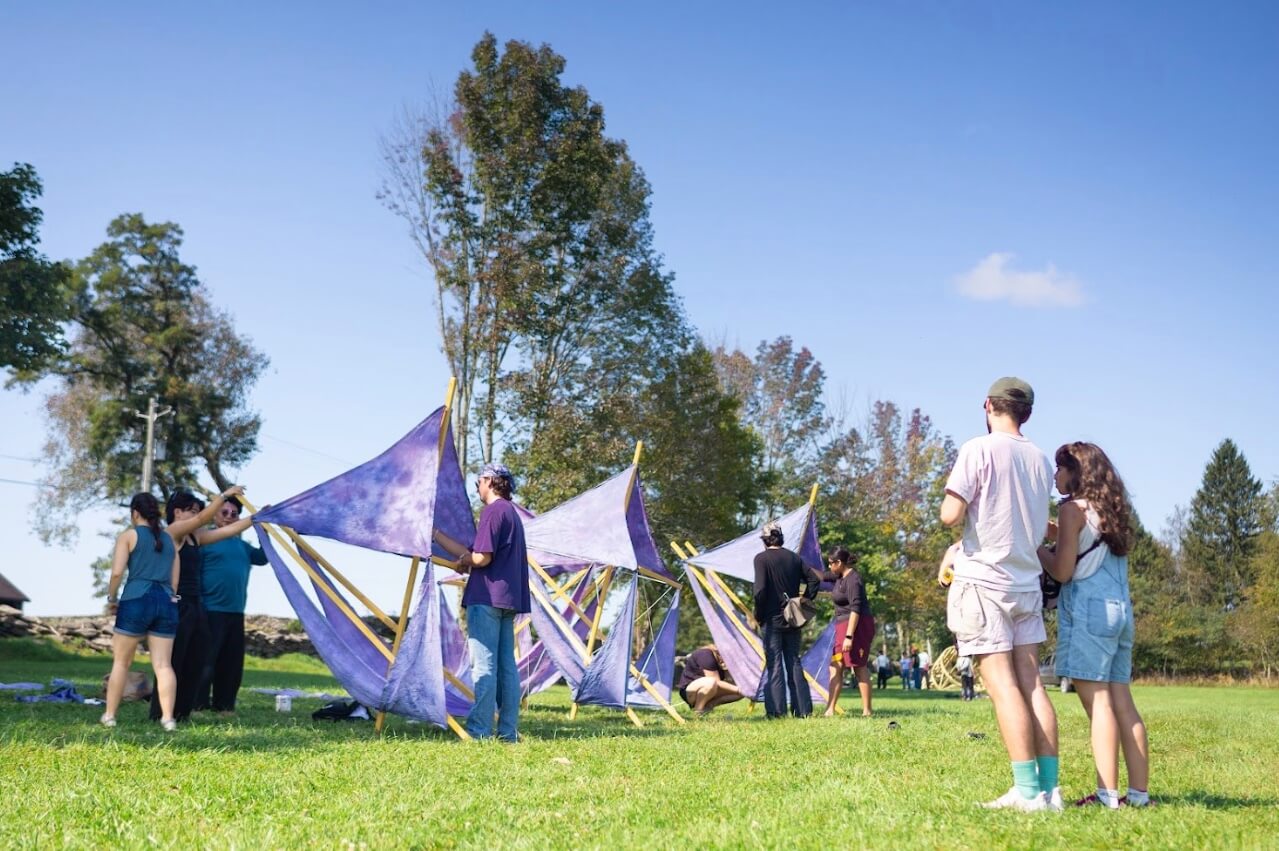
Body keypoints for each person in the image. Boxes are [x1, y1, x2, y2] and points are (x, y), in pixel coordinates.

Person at [939, 377, 1058, 812]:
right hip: (1026, 584)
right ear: (1026, 412)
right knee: (1032, 686)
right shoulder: (1041, 459)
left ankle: (1027, 793)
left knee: (1002, 687)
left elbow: (950, 513)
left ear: (988, 405)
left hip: (984, 581)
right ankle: (1051, 789)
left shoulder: (978, 448)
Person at [1038, 442, 1151, 809]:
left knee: (1098, 704)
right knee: (1123, 703)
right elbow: (1085, 544)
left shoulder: (1072, 510)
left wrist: (1033, 547)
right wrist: (1051, 532)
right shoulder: (1111, 510)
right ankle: (1138, 796)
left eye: (1060, 468)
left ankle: (1107, 796)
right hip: (1120, 612)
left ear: (1076, 471)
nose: (1056, 475)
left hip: (1090, 612)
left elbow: (1063, 570)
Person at [434, 462, 530, 742]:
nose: (477, 487)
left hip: (486, 597)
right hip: (507, 599)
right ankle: (508, 733)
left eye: (478, 482)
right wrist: (438, 537)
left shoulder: (492, 511)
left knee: (484, 667)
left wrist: (466, 561)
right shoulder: (511, 514)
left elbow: (481, 558)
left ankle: (479, 732)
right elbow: (475, 552)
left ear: (489, 481)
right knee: (506, 667)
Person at [148, 486, 246, 723]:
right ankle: (161, 712)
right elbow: (204, 518)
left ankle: (182, 712)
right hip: (176, 605)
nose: (197, 516)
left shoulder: (196, 536)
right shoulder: (173, 532)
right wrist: (224, 495)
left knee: (196, 659)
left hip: (196, 605)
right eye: (191, 511)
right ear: (177, 512)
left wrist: (256, 518)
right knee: (174, 660)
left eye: (197, 511)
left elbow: (227, 531)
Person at [102, 494, 179, 730]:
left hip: (136, 597)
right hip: (166, 601)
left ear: (135, 512)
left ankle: (110, 716)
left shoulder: (129, 536)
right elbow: (175, 576)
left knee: (121, 663)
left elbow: (116, 573)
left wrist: (112, 597)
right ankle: (168, 719)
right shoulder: (169, 540)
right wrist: (172, 596)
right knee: (163, 665)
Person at [194, 495, 264, 715]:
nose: (229, 517)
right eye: (224, 513)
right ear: (214, 515)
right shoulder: (205, 541)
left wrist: (266, 532)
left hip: (235, 612)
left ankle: (225, 705)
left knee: (231, 663)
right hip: (210, 610)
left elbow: (263, 558)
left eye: (234, 514)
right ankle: (197, 704)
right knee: (205, 661)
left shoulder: (243, 547)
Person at [752, 521, 819, 718]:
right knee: (794, 661)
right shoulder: (794, 558)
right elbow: (814, 579)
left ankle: (776, 711)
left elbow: (760, 590)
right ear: (780, 537)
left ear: (765, 540)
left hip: (772, 619)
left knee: (774, 664)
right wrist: (804, 599)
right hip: (793, 618)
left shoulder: (761, 559)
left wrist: (758, 614)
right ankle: (803, 710)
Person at [820, 547, 874, 717]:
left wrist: (849, 637)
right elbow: (820, 575)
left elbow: (856, 609)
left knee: (858, 666)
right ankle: (830, 709)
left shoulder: (853, 580)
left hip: (856, 625)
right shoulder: (838, 576)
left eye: (831, 563)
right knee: (836, 665)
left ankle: (867, 710)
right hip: (841, 625)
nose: (829, 566)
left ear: (839, 563)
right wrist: (799, 565)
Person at [677, 645, 743, 715]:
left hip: (710, 689)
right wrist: (739, 690)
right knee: (711, 682)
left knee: (742, 692)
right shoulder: (705, 654)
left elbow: (730, 681)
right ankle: (698, 711)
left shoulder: (724, 661)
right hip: (689, 691)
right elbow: (717, 682)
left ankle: (708, 707)